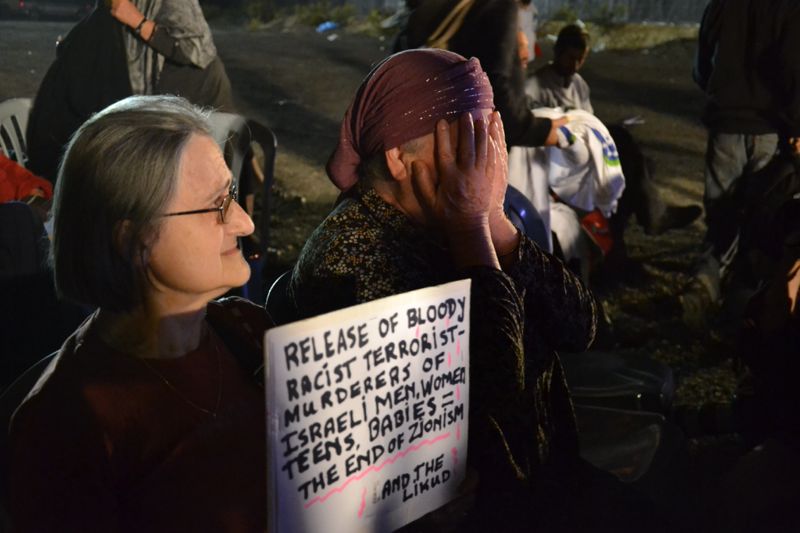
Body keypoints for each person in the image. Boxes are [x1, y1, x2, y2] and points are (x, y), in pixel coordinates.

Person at [289, 49, 665, 531]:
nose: (486, 161)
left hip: (542, 482)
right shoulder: (358, 257)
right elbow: (498, 397)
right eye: (464, 141)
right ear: (399, 160)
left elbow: (581, 327)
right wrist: (472, 226)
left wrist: (495, 223)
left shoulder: (443, 219)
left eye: (489, 136)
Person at [9, 95, 269, 532]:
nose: (244, 223)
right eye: (216, 205)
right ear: (132, 240)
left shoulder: (245, 329)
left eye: (233, 195)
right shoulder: (66, 426)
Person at [26, 0, 234, 183]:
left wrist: (137, 21)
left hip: (194, 87)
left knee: (220, 166)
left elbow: (199, 49)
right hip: (148, 98)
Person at [685, 0, 800, 323]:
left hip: (726, 122)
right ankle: (741, 302)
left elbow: (703, 62)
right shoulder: (787, 8)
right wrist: (795, 125)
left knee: (721, 213)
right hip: (767, 128)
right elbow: (793, 67)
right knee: (758, 218)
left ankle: (703, 285)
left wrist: (718, 93)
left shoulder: (721, 5)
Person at [400, 0, 566, 148]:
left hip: (428, 136)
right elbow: (493, 85)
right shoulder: (499, 6)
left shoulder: (443, 8)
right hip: (466, 143)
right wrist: (536, 131)